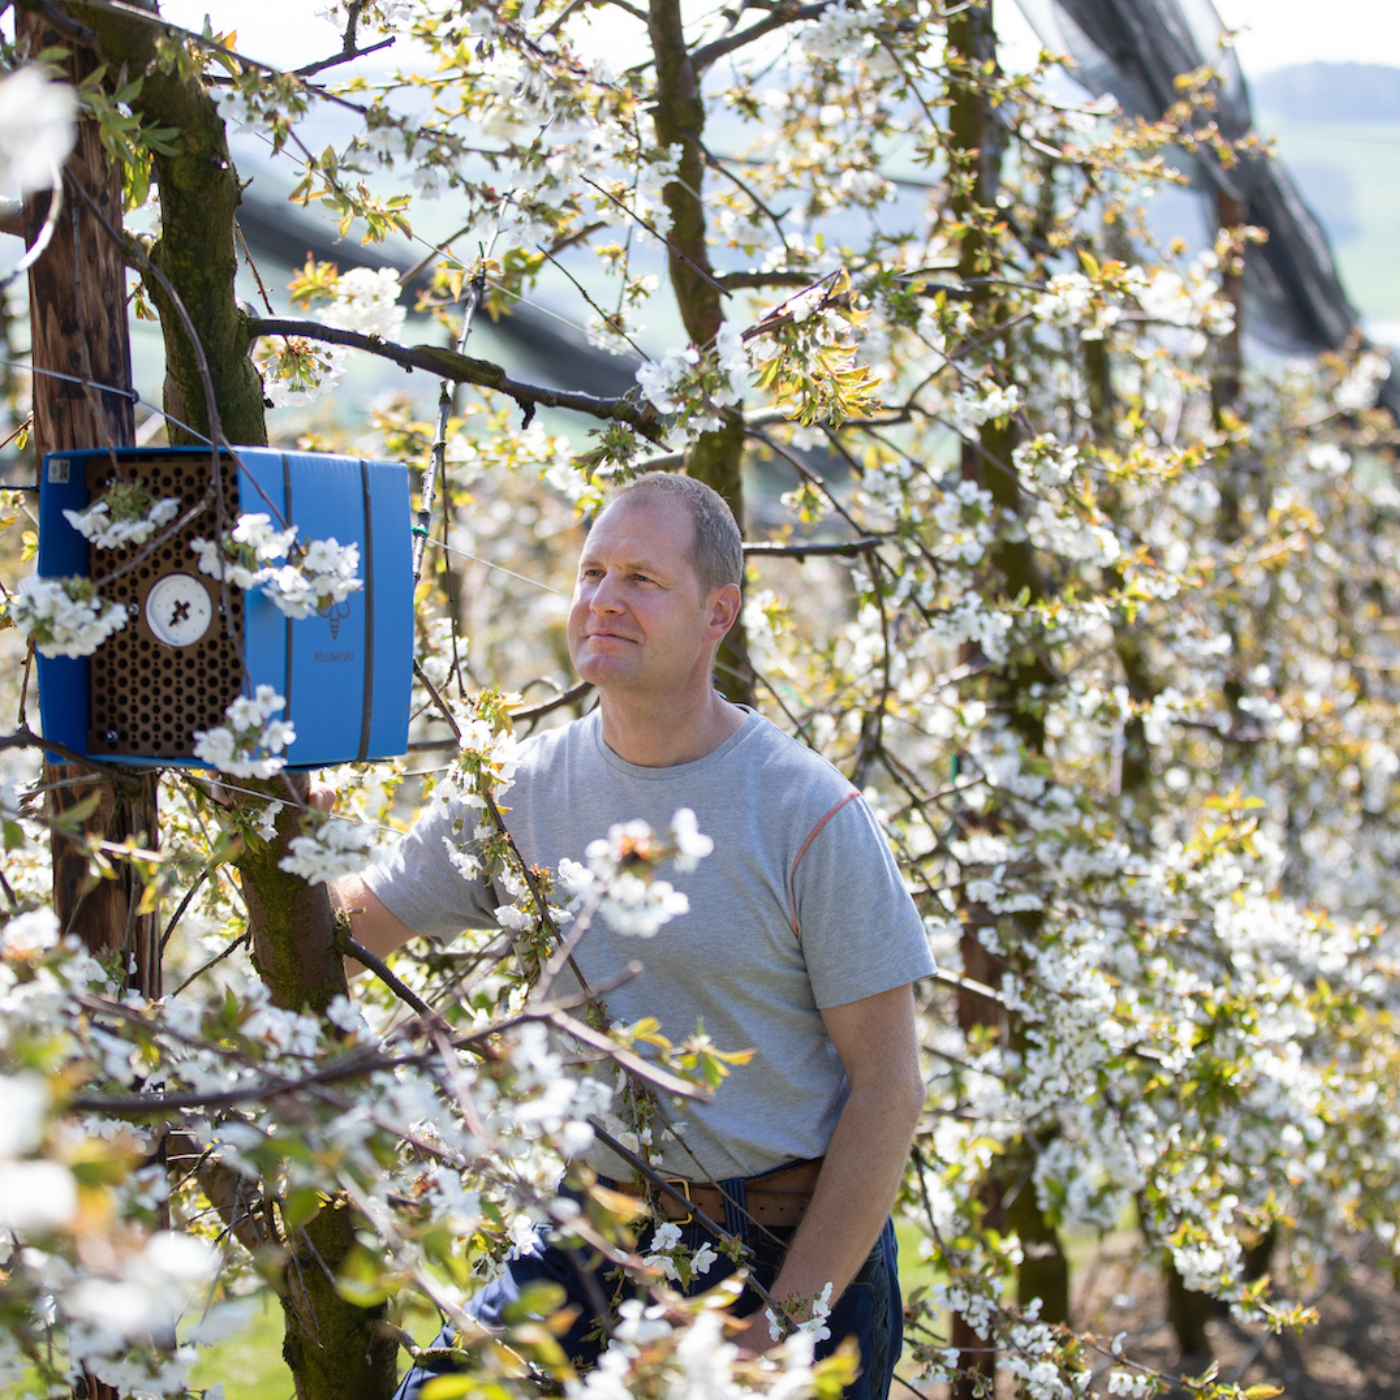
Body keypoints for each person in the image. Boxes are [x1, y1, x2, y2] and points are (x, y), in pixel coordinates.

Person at [339, 473, 933, 1399]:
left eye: (642, 580)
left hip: (785, 1249)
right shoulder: (521, 792)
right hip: (596, 1231)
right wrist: (282, 821)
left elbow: (889, 1090)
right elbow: (354, 928)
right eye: (591, 573)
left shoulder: (808, 814)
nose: (603, 600)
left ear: (718, 614)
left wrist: (779, 1320)